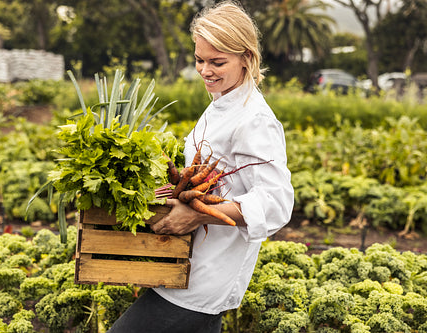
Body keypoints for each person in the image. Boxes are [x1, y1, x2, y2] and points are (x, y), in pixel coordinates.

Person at [107, 1, 294, 332]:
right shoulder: (221, 102)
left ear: (246, 58)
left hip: (207, 276)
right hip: (182, 262)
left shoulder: (255, 120)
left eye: (217, 62)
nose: (205, 70)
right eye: (200, 60)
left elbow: (277, 202)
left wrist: (198, 214)